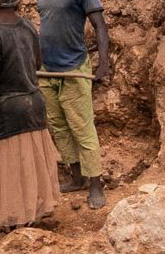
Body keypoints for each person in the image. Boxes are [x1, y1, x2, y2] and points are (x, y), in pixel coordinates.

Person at [0, 0, 62, 228]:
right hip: (33, 105)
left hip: (6, 112)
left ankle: (14, 226)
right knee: (28, 167)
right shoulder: (28, 26)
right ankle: (29, 219)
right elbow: (36, 62)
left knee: (11, 172)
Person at [36, 0, 110, 209]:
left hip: (74, 69)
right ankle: (77, 177)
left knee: (82, 128)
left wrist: (104, 62)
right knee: (58, 126)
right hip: (47, 70)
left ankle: (95, 184)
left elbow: (100, 25)